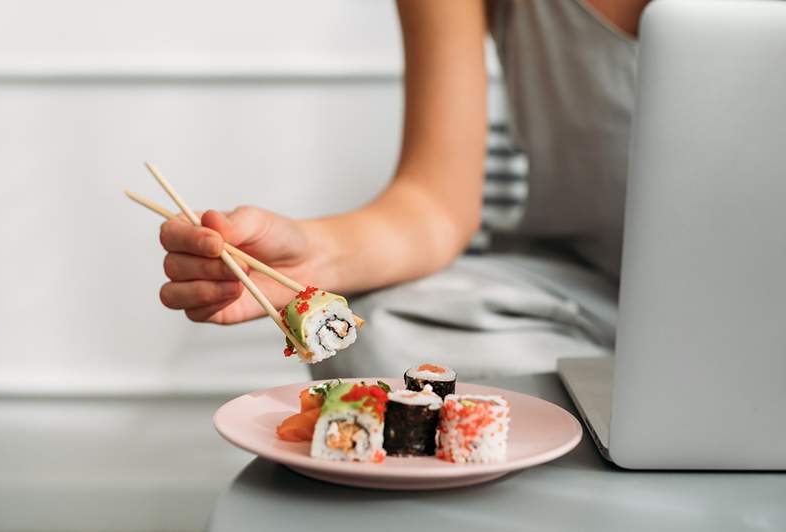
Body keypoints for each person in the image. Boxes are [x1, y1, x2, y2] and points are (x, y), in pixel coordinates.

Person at [156, 0, 649, 379]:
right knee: (375, 334)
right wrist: (312, 259)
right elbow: (435, 203)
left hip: (727, 312)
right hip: (580, 294)